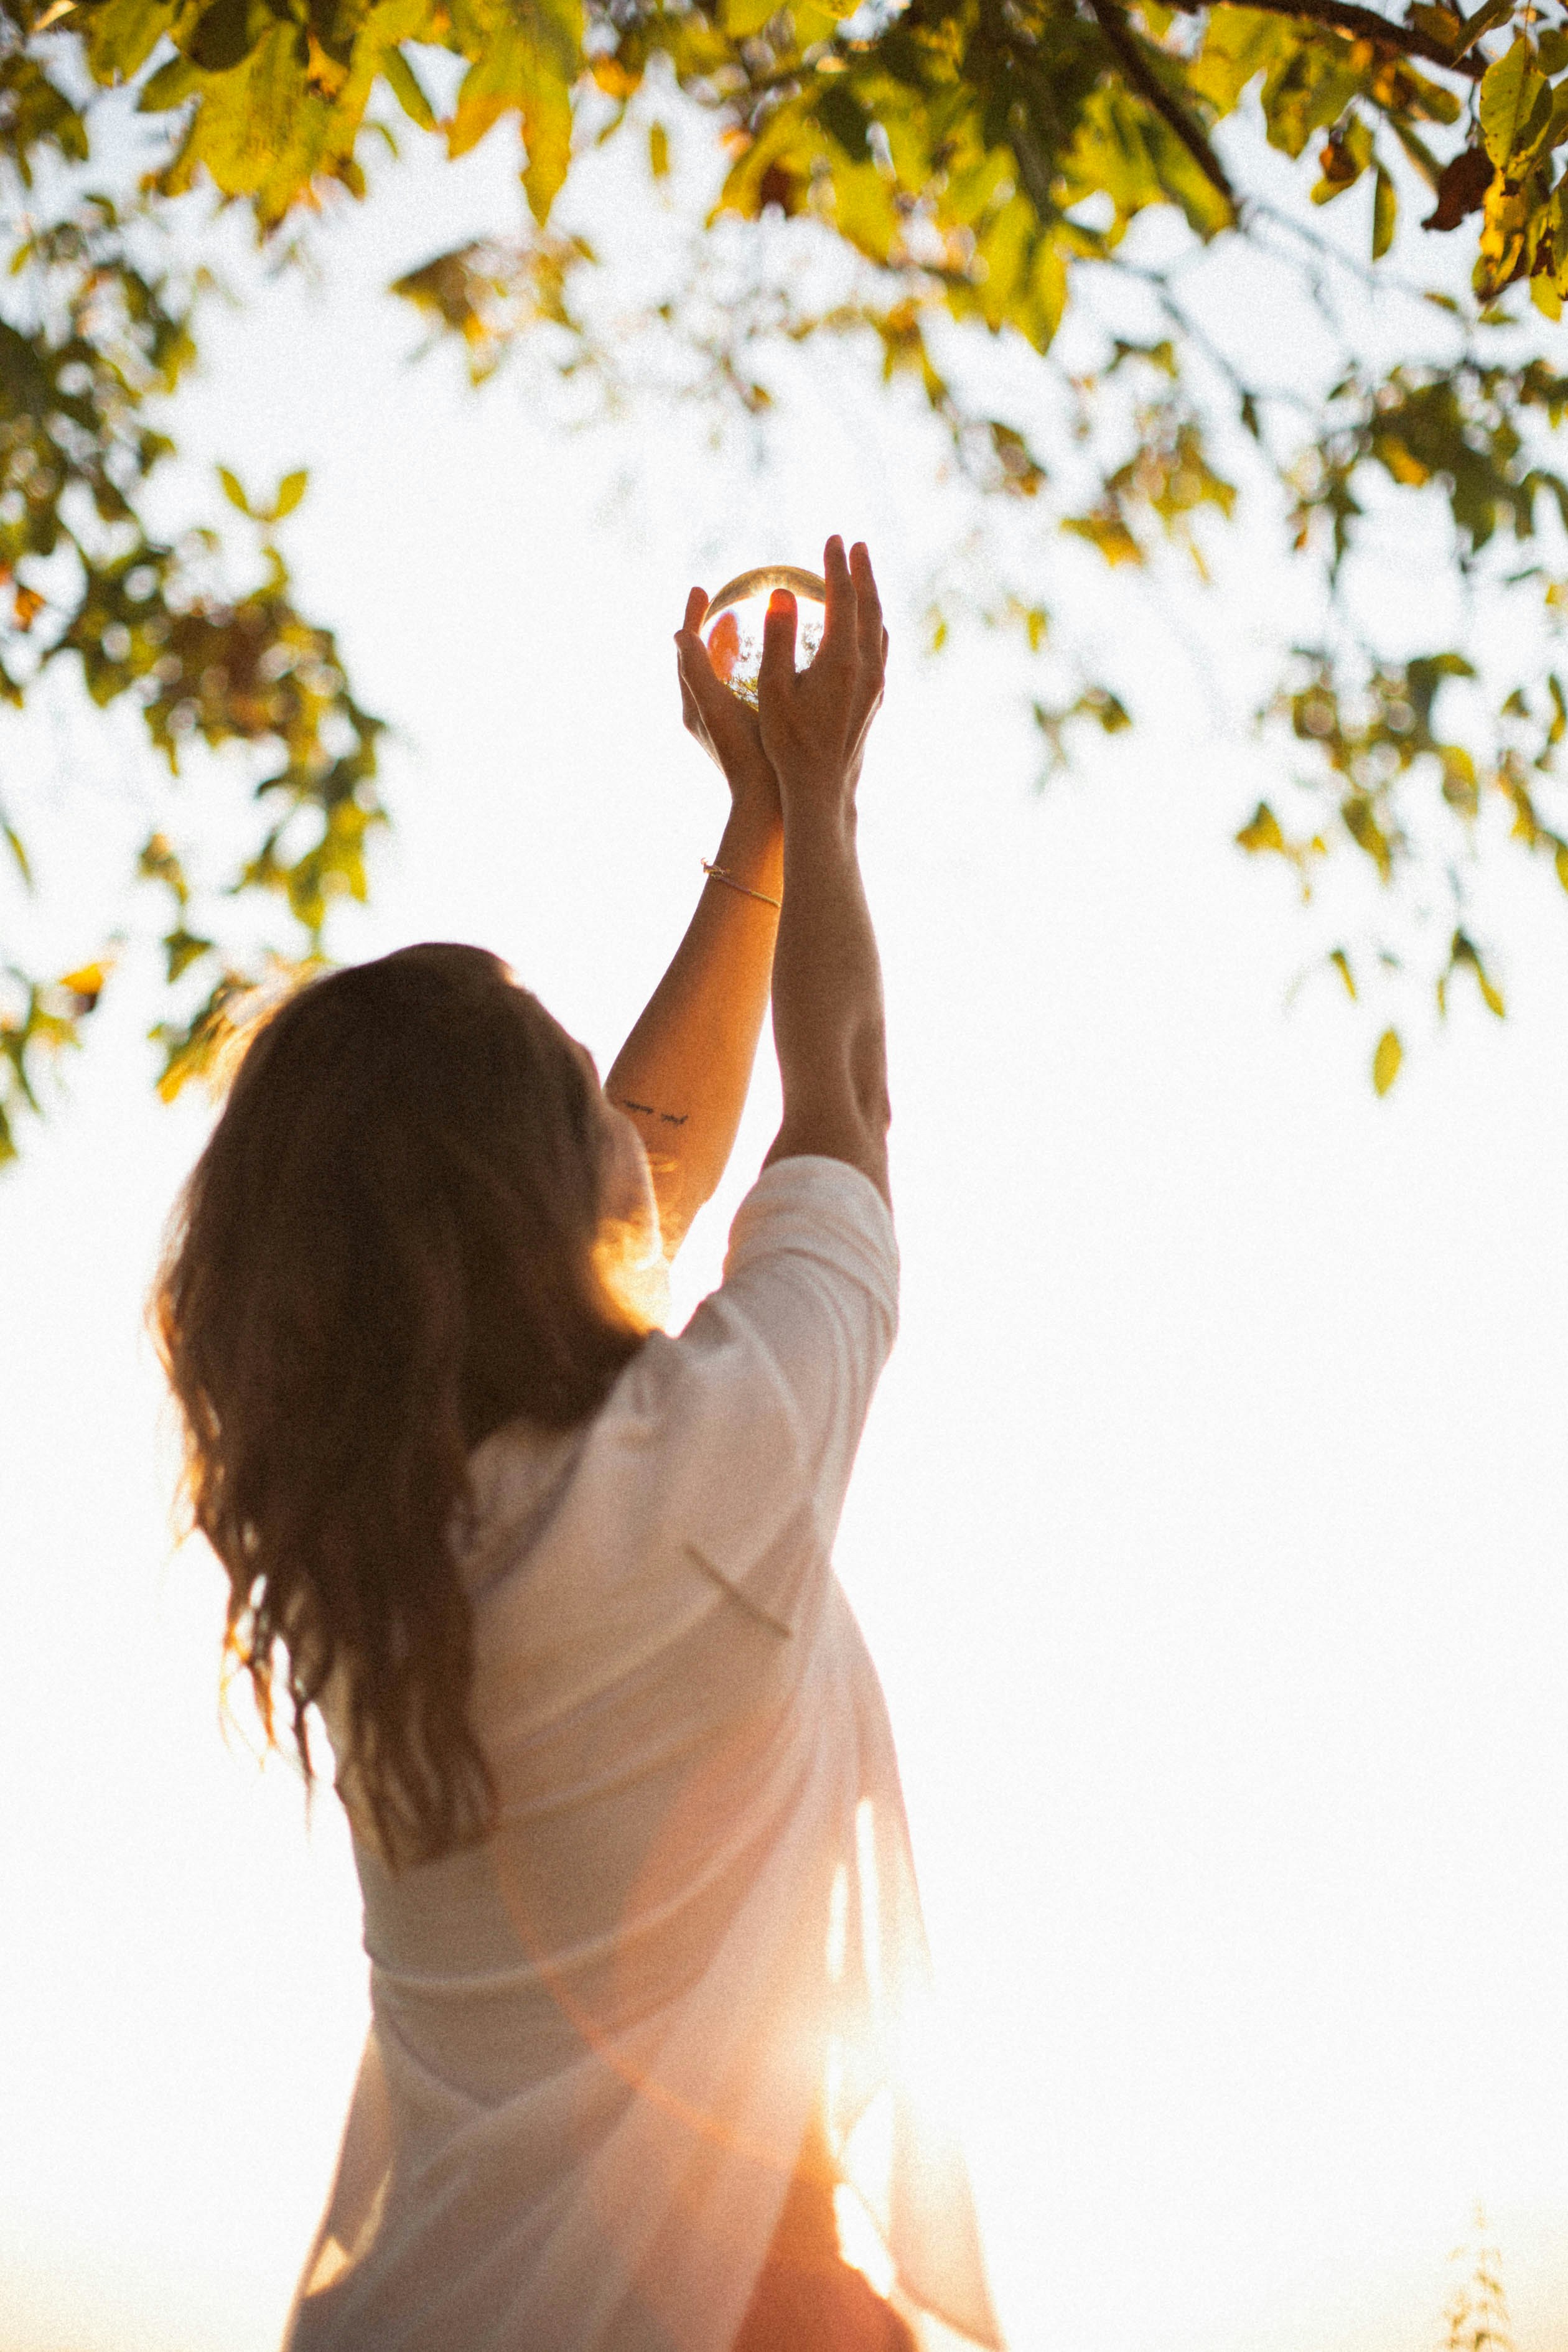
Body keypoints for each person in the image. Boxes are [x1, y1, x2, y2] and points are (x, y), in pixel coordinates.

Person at [153, 537, 1002, 2352]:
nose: (621, 1127)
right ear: (540, 1200)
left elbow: (656, 1155)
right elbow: (831, 1098)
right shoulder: (717, 1475)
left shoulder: (367, 1579)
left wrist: (757, 839)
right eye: (574, 1107)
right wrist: (825, 794)